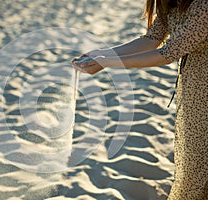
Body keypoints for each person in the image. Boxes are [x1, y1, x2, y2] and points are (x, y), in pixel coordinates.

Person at [72, 0, 208, 199]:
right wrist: (101, 54)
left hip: (203, 90)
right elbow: (151, 39)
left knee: (198, 170)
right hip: (193, 91)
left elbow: (167, 53)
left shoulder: (203, 5)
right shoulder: (167, 2)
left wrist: (108, 62)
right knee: (194, 164)